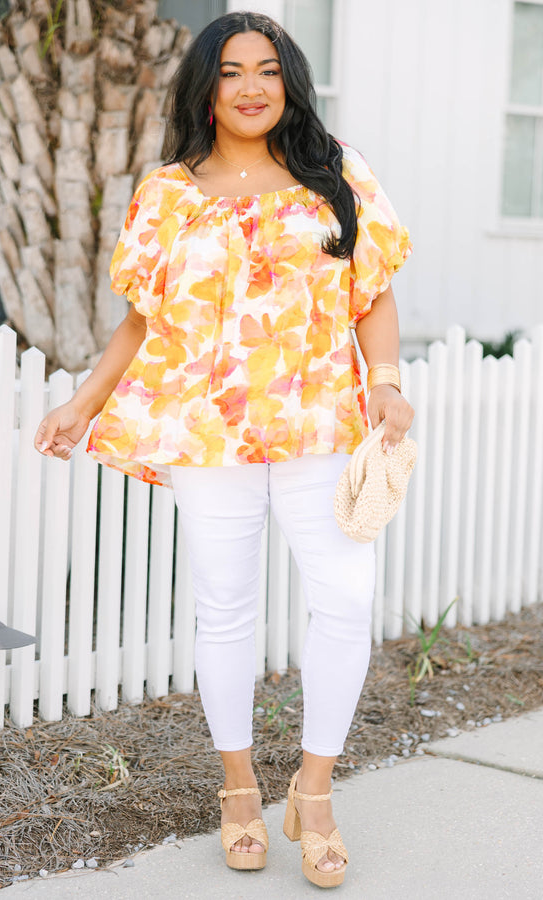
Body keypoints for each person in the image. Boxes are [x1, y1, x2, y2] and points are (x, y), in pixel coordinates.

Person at [35, 11, 413, 889]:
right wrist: (81, 403)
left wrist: (386, 382)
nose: (251, 86)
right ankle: (238, 790)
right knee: (226, 608)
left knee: (345, 601)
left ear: (290, 83)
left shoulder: (336, 172)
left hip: (322, 425)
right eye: (233, 70)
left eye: (269, 71)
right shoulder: (167, 190)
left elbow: (375, 294)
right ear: (205, 87)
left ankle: (313, 794)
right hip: (210, 436)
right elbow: (144, 320)